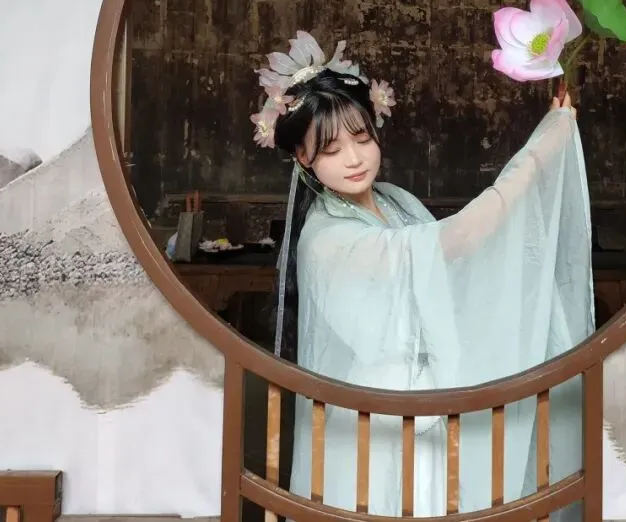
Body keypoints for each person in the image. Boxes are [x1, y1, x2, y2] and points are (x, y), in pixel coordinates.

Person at [251, 31, 595, 519]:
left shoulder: (395, 200)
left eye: (361, 138)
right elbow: (454, 242)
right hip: (379, 410)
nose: (354, 158)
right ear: (303, 158)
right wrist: (538, 158)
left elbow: (450, 278)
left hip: (434, 397)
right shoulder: (327, 237)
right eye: (330, 149)